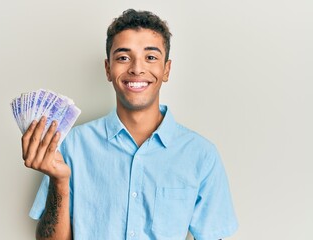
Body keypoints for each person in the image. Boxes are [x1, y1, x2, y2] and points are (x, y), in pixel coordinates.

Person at [21, 9, 238, 240]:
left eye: (151, 57)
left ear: (166, 69)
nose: (136, 68)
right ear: (108, 69)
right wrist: (59, 181)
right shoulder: (71, 146)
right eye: (123, 57)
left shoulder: (201, 155)